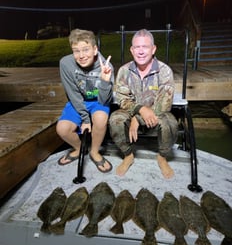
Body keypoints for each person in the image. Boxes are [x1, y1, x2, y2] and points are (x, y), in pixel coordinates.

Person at [109, 29, 178, 178]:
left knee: (171, 123)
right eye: (137, 47)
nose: (141, 51)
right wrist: (139, 110)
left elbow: (163, 105)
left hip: (156, 113)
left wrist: (138, 118)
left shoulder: (164, 71)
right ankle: (128, 155)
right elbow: (122, 99)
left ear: (153, 49)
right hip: (132, 111)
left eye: (145, 47)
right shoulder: (124, 71)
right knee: (115, 119)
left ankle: (162, 156)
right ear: (132, 50)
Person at [56, 28, 114, 173]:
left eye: (86, 49)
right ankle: (80, 148)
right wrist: (85, 119)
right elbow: (73, 93)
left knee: (100, 119)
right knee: (62, 129)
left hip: (98, 101)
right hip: (78, 100)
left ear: (95, 50)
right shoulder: (66, 63)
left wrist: (105, 81)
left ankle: (94, 151)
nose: (81, 55)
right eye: (76, 50)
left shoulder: (105, 66)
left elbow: (105, 100)